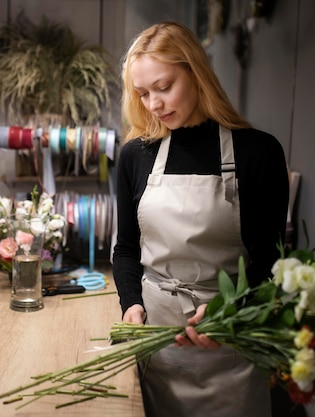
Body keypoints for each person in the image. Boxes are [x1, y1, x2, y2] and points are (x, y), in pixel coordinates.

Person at [112, 22, 289, 417]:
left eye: (163, 87)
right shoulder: (135, 156)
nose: (153, 104)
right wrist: (131, 305)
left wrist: (230, 306)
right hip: (157, 341)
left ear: (195, 71)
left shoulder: (258, 152)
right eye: (142, 93)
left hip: (229, 340)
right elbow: (125, 249)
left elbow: (271, 261)